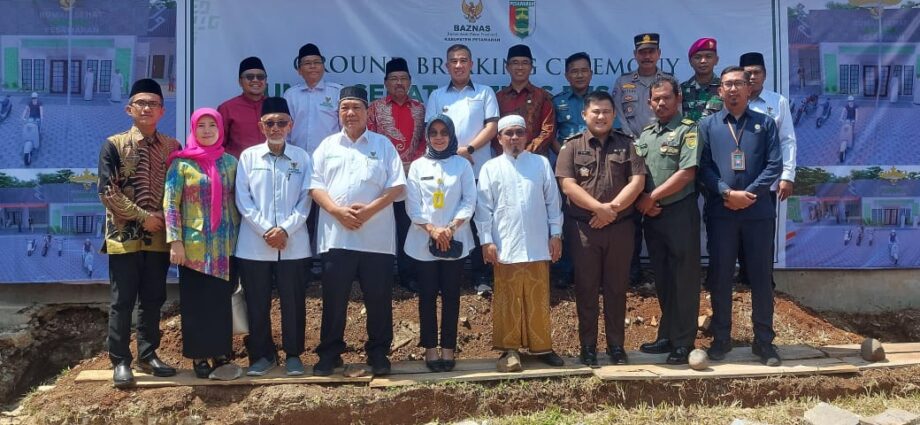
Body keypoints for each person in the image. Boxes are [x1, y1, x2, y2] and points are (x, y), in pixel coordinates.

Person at [310, 86, 406, 377]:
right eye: (345, 108)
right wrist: (338, 212)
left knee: (378, 299)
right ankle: (330, 353)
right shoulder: (327, 146)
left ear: (367, 112)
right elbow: (315, 187)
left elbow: (398, 186)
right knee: (334, 299)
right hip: (337, 236)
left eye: (356, 108)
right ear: (338, 112)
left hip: (375, 238)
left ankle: (378, 353)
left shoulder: (383, 145)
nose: (350, 113)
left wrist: (369, 211)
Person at [97, 78, 180, 388]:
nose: (147, 108)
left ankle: (148, 353)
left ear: (162, 110)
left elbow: (178, 189)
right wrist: (144, 217)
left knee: (153, 298)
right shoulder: (114, 144)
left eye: (153, 103)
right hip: (124, 235)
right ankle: (120, 360)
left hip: (159, 237)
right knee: (122, 300)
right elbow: (107, 191)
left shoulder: (173, 147)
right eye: (141, 103)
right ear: (129, 108)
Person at [699, 66, 783, 366]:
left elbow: (775, 165)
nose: (733, 89)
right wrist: (725, 193)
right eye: (727, 85)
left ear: (749, 88)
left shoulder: (765, 123)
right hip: (722, 213)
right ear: (719, 91)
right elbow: (703, 168)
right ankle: (721, 339)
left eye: (738, 84)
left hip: (758, 212)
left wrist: (749, 194)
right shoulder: (708, 125)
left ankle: (764, 343)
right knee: (720, 277)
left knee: (761, 277)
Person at [556, 91, 646, 366]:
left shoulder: (628, 144)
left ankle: (616, 346)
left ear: (614, 114)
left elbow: (638, 181)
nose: (601, 116)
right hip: (584, 229)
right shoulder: (571, 146)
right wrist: (598, 209)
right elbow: (567, 185)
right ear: (584, 115)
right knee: (586, 288)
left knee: (617, 288)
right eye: (595, 111)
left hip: (620, 228)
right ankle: (588, 347)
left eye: (606, 111)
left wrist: (611, 210)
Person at [476, 114, 564, 372]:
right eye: (509, 133)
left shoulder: (540, 164)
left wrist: (556, 234)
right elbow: (483, 209)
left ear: (526, 136)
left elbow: (552, 202)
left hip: (538, 243)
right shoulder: (490, 168)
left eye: (519, 133)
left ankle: (543, 348)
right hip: (505, 246)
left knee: (538, 297)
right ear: (499, 138)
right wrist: (486, 241)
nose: (514, 138)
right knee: (508, 299)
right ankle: (509, 350)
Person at [235, 97, 313, 377]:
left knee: (293, 302)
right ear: (261, 126)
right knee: (257, 302)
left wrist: (285, 230)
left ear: (290, 125)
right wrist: (267, 230)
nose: (276, 127)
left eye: (282, 122)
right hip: (255, 245)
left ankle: (293, 355)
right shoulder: (248, 157)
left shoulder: (302, 158)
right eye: (270, 123)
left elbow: (306, 200)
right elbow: (243, 200)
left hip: (293, 244)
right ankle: (261, 355)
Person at [164, 108, 241, 380]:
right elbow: (171, 205)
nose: (207, 130)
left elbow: (239, 203)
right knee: (196, 304)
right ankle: (198, 356)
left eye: (212, 125)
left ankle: (221, 353)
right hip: (193, 246)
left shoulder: (230, 163)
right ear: (193, 130)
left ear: (220, 129)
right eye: (201, 126)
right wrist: (175, 241)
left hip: (224, 246)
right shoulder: (181, 164)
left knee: (220, 302)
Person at [634, 76, 701, 365]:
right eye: (656, 99)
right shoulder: (647, 134)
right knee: (662, 278)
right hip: (652, 216)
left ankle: (684, 342)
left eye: (666, 98)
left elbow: (687, 172)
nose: (661, 103)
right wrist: (641, 201)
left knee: (683, 278)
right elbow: (636, 174)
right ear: (649, 102)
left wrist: (652, 197)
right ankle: (667, 335)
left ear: (678, 99)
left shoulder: (688, 131)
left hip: (678, 212)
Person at [405, 114, 476, 372]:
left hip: (455, 238)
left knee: (451, 297)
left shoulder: (462, 165)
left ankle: (448, 348)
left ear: (451, 135)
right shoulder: (417, 166)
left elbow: (469, 200)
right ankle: (430, 349)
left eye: (443, 132)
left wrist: (451, 228)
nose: (438, 137)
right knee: (426, 297)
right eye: (433, 132)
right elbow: (412, 205)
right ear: (427, 136)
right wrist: (433, 230)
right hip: (424, 240)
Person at [425, 44, 499, 292]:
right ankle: (442, 272)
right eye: (453, 61)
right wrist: (450, 154)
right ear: (446, 66)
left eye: (463, 60)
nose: (458, 65)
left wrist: (467, 150)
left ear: (471, 64)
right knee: (444, 218)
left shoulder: (485, 92)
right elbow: (431, 131)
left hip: (478, 168)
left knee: (480, 221)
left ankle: (481, 277)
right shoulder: (436, 96)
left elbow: (491, 127)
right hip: (444, 171)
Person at [613, 33, 669, 287]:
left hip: (663, 154)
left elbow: (672, 116)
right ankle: (632, 272)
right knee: (631, 218)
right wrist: (636, 143)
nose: (647, 56)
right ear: (635, 55)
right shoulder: (623, 82)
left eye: (651, 51)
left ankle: (663, 272)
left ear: (658, 54)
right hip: (631, 153)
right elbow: (619, 119)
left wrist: (655, 142)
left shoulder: (669, 82)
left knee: (660, 215)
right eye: (642, 52)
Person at [737, 52, 798, 287]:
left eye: (757, 72)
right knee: (737, 232)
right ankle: (743, 277)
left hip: (767, 180)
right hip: (737, 179)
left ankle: (764, 279)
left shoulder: (777, 102)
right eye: (747, 73)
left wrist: (787, 176)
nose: (752, 77)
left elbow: (788, 140)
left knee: (762, 233)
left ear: (765, 75)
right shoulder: (732, 100)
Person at [367, 57, 426, 292]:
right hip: (382, 178)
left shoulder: (419, 109)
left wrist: (416, 163)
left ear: (410, 82)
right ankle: (377, 274)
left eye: (403, 79)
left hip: (411, 177)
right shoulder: (374, 108)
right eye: (394, 79)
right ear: (385, 83)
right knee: (378, 225)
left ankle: (407, 273)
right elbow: (370, 140)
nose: (399, 83)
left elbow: (424, 140)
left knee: (406, 225)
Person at [283, 43, 342, 277]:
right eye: (307, 63)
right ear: (299, 70)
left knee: (329, 212)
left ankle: (331, 266)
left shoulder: (336, 92)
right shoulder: (291, 94)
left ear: (323, 66)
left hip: (329, 164)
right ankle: (303, 267)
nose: (313, 67)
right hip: (298, 164)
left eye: (317, 62)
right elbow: (285, 129)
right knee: (302, 214)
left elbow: (343, 128)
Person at [549, 51, 593, 288]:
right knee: (566, 218)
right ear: (566, 75)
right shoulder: (558, 102)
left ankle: (589, 271)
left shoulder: (599, 101)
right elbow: (552, 136)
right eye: (574, 71)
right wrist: (565, 157)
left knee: (590, 218)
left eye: (583, 70)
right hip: (566, 168)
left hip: (597, 168)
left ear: (591, 73)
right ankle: (565, 270)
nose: (579, 75)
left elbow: (610, 131)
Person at [495, 44, 556, 157]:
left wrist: (526, 153)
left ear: (531, 67)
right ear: (507, 67)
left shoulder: (542, 96)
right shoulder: (498, 98)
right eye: (515, 63)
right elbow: (493, 130)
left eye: (525, 63)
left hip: (536, 159)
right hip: (504, 160)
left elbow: (548, 130)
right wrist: (508, 151)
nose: (520, 67)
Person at [217, 57, 268, 158]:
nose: (255, 80)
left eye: (260, 77)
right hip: (237, 168)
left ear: (265, 81)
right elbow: (218, 144)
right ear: (240, 82)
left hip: (270, 168)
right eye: (249, 77)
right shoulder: (227, 108)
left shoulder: (273, 106)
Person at [681, 38, 722, 121]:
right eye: (698, 57)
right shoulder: (681, 90)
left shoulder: (724, 88)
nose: (703, 61)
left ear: (716, 60)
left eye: (708, 56)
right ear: (690, 62)